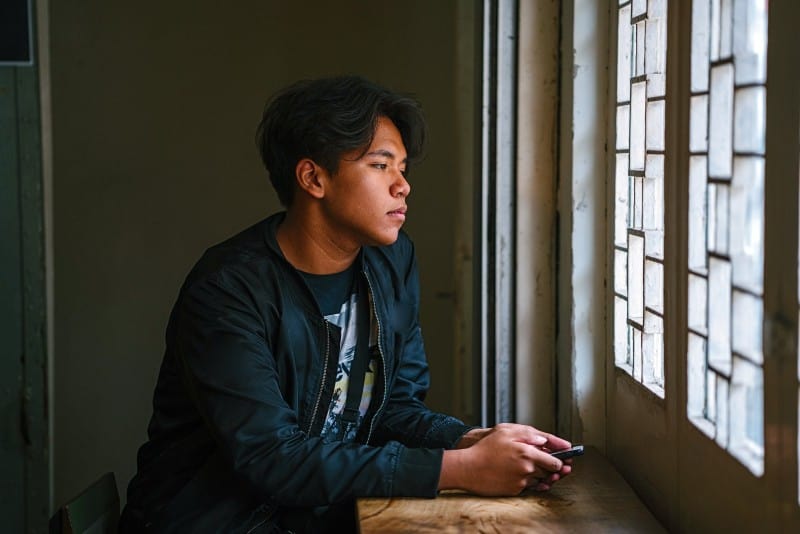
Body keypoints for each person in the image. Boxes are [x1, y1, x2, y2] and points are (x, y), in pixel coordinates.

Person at [119, 75, 573, 533]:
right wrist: (460, 468)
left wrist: (467, 440)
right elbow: (273, 458)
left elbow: (393, 409)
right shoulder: (228, 291)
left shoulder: (392, 261)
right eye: (380, 165)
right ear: (313, 177)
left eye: (403, 167)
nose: (403, 186)